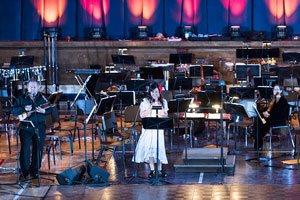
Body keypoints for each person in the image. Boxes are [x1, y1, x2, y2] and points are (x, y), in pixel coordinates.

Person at [12, 79, 52, 180]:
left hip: (39, 127)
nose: (32, 88)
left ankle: (35, 171)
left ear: (38, 88)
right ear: (27, 88)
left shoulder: (43, 98)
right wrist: (24, 109)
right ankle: (25, 172)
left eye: (34, 87)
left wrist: (44, 111)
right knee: (25, 150)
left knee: (38, 149)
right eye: (30, 87)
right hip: (26, 127)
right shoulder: (21, 98)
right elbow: (14, 110)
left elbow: (51, 109)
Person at [133, 82, 169, 178]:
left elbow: (165, 115)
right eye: (152, 92)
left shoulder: (164, 102)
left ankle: (160, 170)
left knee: (159, 148)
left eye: (156, 92)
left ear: (160, 92)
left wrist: (164, 114)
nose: (154, 94)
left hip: (158, 128)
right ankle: (152, 170)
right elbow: (142, 115)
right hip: (149, 128)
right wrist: (151, 106)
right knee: (150, 148)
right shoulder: (145, 101)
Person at [254, 85, 289, 150]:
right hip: (272, 119)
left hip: (280, 120)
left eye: (277, 90)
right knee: (258, 119)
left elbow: (281, 114)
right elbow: (269, 109)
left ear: (281, 91)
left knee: (263, 123)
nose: (275, 91)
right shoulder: (273, 100)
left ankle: (258, 140)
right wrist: (264, 112)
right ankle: (257, 139)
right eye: (274, 90)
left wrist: (269, 114)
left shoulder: (283, 100)